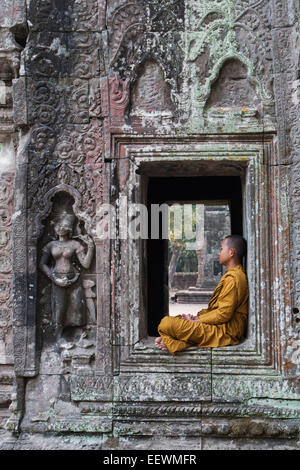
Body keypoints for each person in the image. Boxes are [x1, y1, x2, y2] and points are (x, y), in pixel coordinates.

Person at [155, 235, 248, 354]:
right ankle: (178, 342)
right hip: (220, 326)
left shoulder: (235, 278)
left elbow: (224, 314)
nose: (219, 253)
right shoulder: (231, 275)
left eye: (221, 249)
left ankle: (175, 342)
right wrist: (194, 318)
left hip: (226, 332)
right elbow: (219, 310)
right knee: (177, 320)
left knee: (166, 324)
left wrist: (198, 320)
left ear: (231, 252)